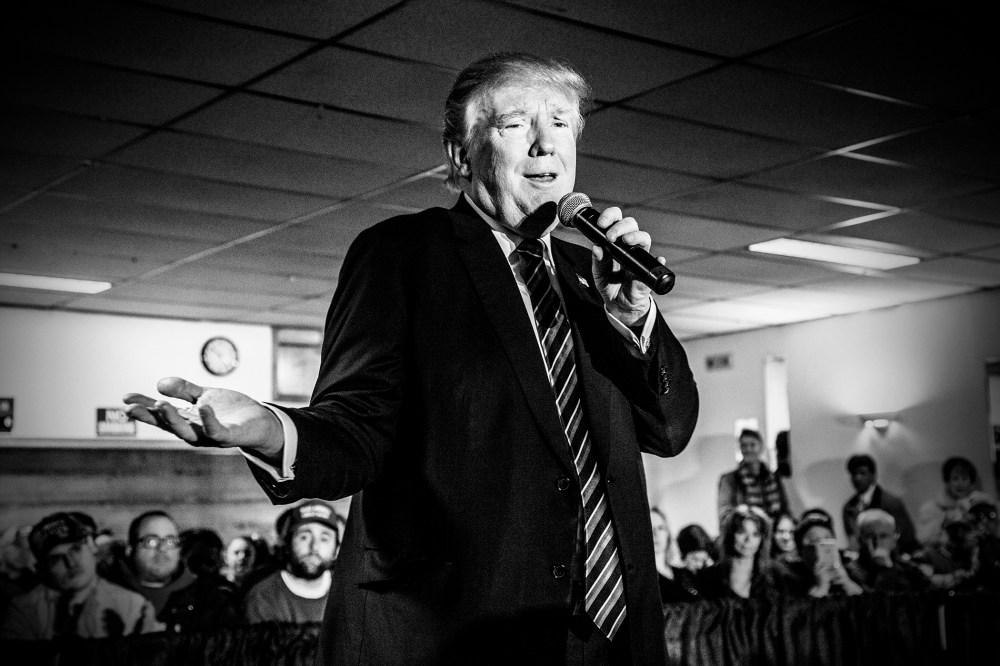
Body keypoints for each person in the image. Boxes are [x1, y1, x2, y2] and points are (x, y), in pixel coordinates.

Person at [123, 52, 698, 666]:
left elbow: (668, 430)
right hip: (456, 636)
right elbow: (357, 426)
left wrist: (633, 320)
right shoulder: (402, 256)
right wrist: (270, 429)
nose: (543, 145)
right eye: (513, 125)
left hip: (609, 640)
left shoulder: (595, 279)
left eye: (561, 123)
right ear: (459, 155)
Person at [1, 512, 160, 640]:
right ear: (42, 568)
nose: (71, 563)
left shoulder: (134, 607)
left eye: (76, 549)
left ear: (91, 546)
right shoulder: (25, 612)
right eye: (56, 559)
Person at [101, 510, 238, 632]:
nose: (162, 549)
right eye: (151, 541)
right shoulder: (100, 596)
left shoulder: (209, 600)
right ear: (130, 549)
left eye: (170, 541)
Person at [243, 499, 340, 623]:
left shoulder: (352, 595)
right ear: (288, 543)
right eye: (304, 537)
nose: (314, 547)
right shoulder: (262, 599)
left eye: (324, 539)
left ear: (336, 550)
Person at [696, 505, 783, 600]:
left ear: (762, 539)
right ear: (730, 535)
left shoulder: (775, 576)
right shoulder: (709, 577)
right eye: (741, 532)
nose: (748, 540)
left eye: (755, 534)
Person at [841, 454, 918, 555]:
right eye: (854, 474)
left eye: (862, 473)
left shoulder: (891, 502)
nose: (857, 478)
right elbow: (853, 539)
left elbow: (906, 536)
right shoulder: (849, 507)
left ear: (873, 476)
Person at [844, 509, 929, 594]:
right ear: (860, 539)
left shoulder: (910, 570)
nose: (877, 542)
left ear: (895, 537)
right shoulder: (850, 573)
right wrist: (886, 570)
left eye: (883, 536)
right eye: (869, 536)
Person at [916, 456, 994, 547]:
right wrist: (944, 521)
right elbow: (922, 539)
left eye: (965, 478)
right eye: (955, 479)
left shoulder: (984, 502)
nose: (960, 483)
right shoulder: (931, 508)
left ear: (972, 482)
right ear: (947, 481)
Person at [781, 511, 862, 598]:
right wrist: (820, 588)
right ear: (801, 550)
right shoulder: (790, 577)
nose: (822, 545)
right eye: (813, 540)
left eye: (827, 539)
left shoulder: (851, 569)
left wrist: (847, 583)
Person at [717, 429, 788, 527]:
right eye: (744, 446)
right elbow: (725, 515)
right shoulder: (730, 479)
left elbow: (784, 509)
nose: (748, 449)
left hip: (773, 533)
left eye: (752, 445)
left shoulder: (774, 478)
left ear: (761, 447)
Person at [649, 508, 699, 604]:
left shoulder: (684, 574)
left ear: (667, 533)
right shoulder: (645, 580)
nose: (656, 533)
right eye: (649, 528)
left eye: (660, 528)